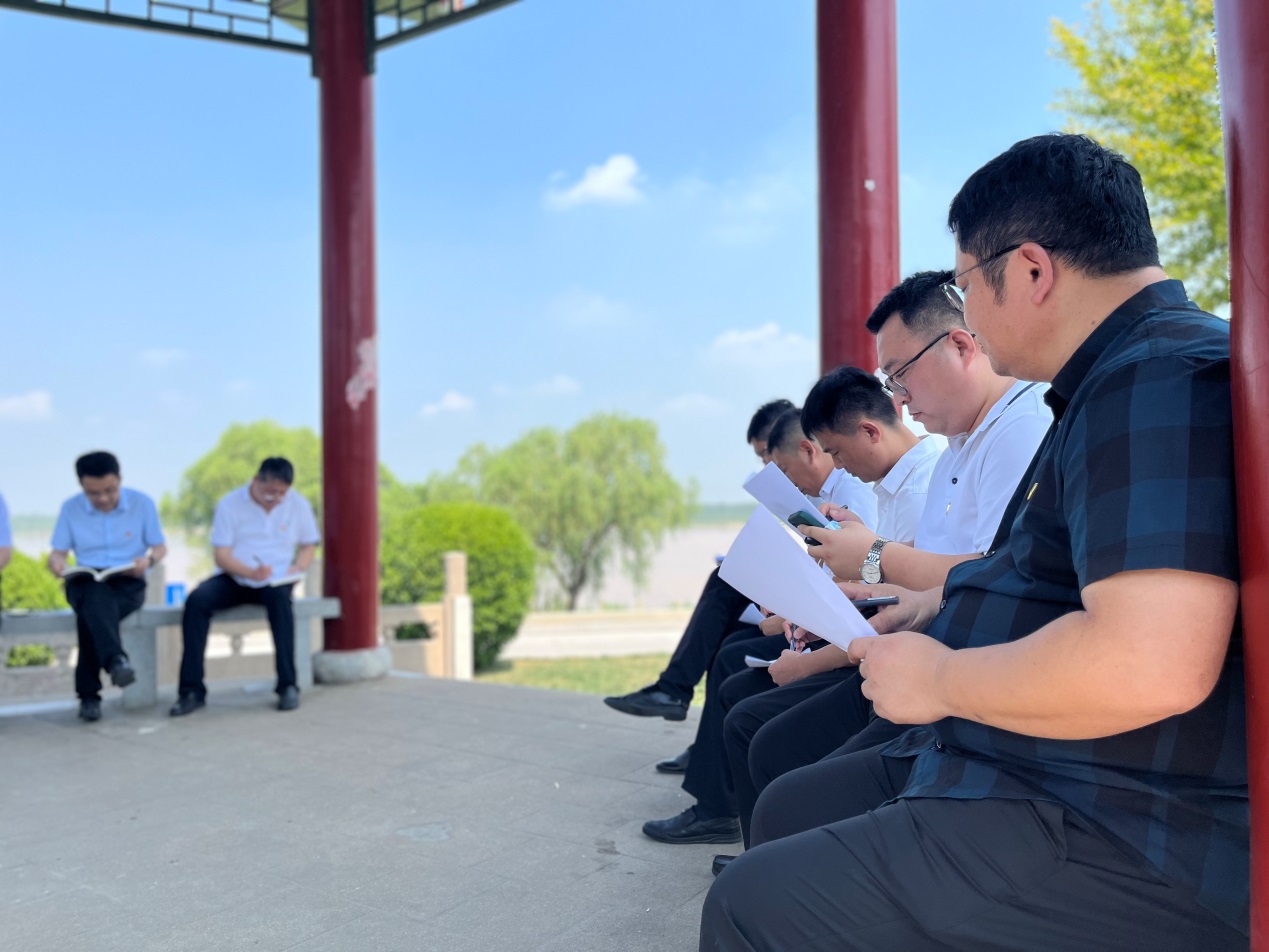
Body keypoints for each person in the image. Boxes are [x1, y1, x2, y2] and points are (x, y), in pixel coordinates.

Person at [701, 133, 1247, 950]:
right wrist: (929, 608)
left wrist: (941, 679)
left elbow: (1148, 662)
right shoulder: (1115, 380)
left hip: (1116, 812)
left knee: (750, 904)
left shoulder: (1152, 381)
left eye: (964, 287)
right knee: (789, 806)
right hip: (1057, 764)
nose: (968, 317)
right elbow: (1048, 578)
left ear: (1029, 271)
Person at [651, 273, 1053, 850]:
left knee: (777, 761)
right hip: (918, 653)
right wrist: (869, 583)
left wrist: (871, 561)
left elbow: (998, 575)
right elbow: (943, 581)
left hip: (961, 681)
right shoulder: (960, 447)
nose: (899, 398)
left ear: (961, 346)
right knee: (766, 741)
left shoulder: (1021, 428)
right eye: (891, 382)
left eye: (900, 374)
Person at [602, 400, 797, 733]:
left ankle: (674, 692)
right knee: (723, 621)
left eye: (768, 454)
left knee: (724, 592)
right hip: (790, 599)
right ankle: (700, 744)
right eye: (763, 456)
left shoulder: (831, 487)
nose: (767, 464)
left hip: (807, 613)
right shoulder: (798, 485)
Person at [171, 457, 319, 716]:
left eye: (281, 493)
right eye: (270, 492)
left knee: (282, 603)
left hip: (276, 580)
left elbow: (308, 545)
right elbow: (222, 555)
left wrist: (298, 567)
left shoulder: (298, 504)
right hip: (235, 576)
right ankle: (191, 691)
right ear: (256, 481)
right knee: (197, 601)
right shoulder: (230, 504)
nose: (275, 498)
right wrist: (251, 572)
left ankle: (287, 686)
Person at [47, 451, 167, 722]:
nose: (103, 498)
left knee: (92, 613)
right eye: (93, 493)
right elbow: (58, 553)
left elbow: (160, 548)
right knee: (94, 593)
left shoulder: (142, 504)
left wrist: (148, 561)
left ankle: (89, 696)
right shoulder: (70, 508)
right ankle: (116, 661)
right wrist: (56, 564)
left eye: (109, 490)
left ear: (119, 480)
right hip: (85, 579)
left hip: (127, 580)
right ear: (81, 485)